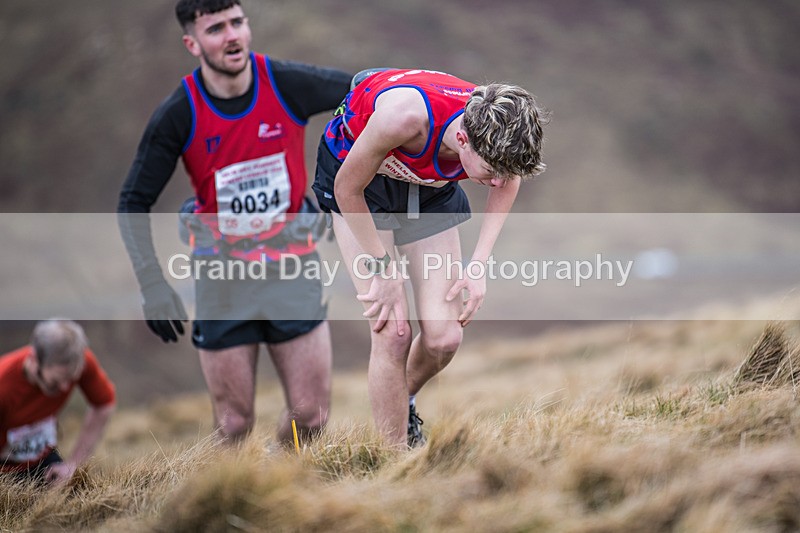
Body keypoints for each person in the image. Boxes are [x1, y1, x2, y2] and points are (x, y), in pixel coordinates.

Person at [117, 0, 351, 444]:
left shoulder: (285, 83)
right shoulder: (179, 113)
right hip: (222, 276)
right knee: (235, 424)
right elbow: (133, 200)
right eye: (216, 28)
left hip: (293, 266)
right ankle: (227, 503)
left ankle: (284, 493)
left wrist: (332, 187)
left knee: (312, 417)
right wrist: (152, 286)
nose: (231, 36)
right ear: (192, 42)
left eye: (237, 23)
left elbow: (364, 94)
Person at [313, 68, 548, 447]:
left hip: (427, 189)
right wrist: (382, 268)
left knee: (444, 338)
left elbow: (510, 176)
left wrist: (478, 266)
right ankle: (395, 460)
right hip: (359, 186)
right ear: (462, 139)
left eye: (503, 173)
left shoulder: (498, 134)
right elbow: (347, 188)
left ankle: (399, 400)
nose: (496, 182)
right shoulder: (402, 118)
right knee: (393, 333)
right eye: (490, 172)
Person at [0, 320, 116, 484]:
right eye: (56, 381)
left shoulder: (80, 363)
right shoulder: (3, 385)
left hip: (45, 461)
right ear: (34, 360)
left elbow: (104, 405)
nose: (65, 387)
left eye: (71, 379)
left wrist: (74, 464)